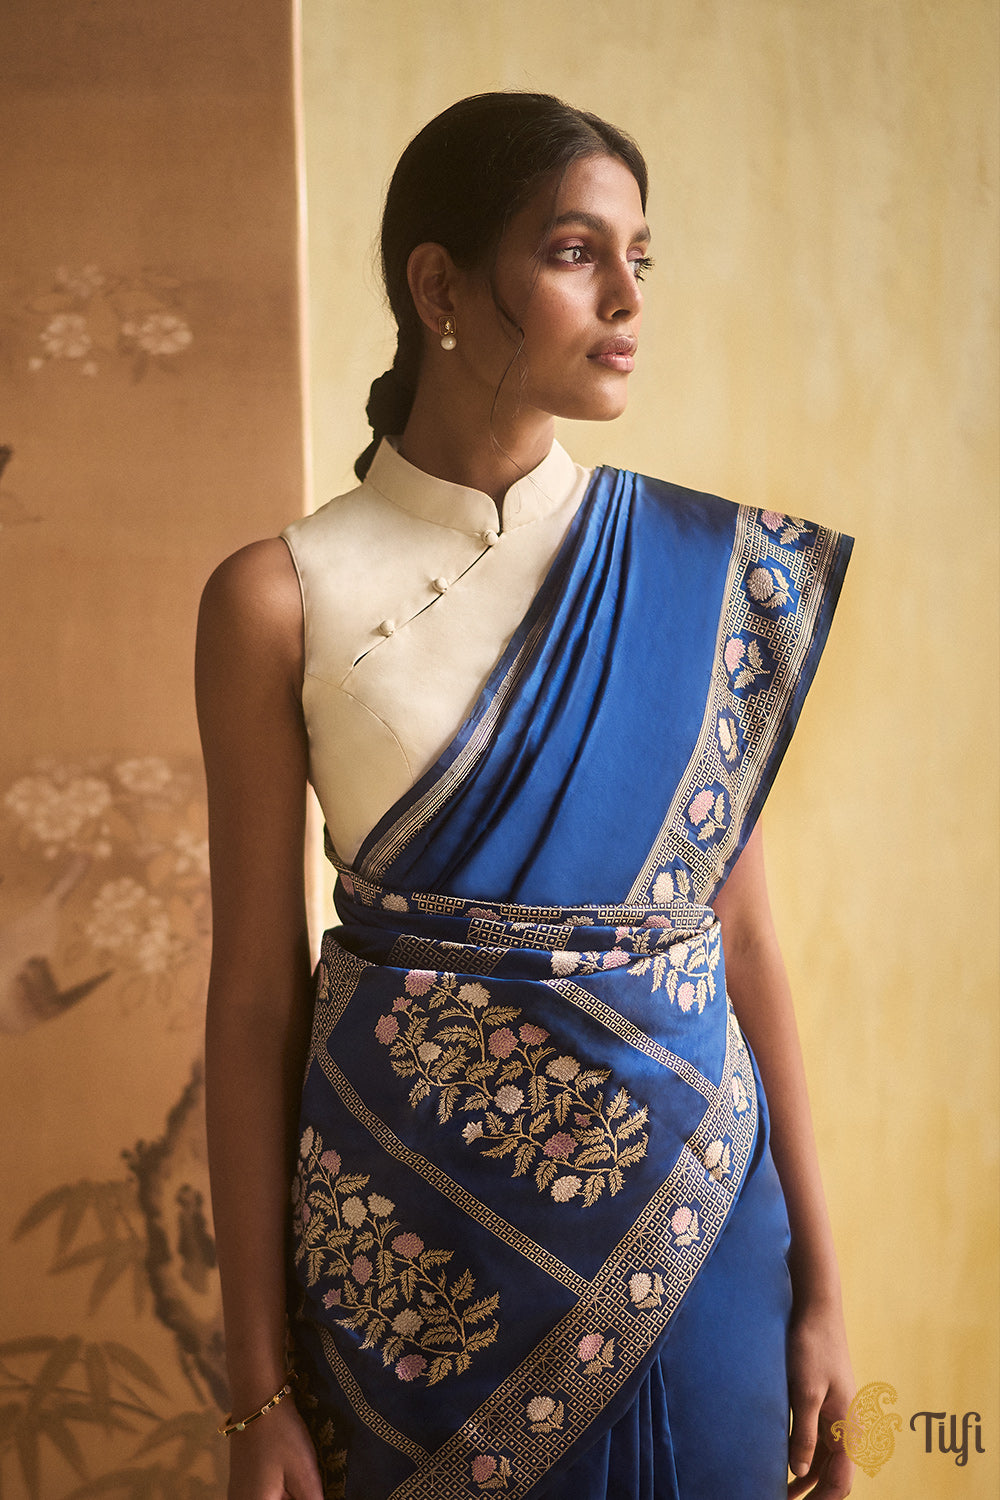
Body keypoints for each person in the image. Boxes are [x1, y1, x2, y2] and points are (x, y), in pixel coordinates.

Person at [196, 92, 855, 1500]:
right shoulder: (277, 599)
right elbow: (253, 999)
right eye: (575, 251)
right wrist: (256, 1394)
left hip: (698, 1241)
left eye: (640, 256)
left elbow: (743, 941)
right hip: (410, 1263)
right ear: (440, 287)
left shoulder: (699, 574)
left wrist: (823, 1289)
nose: (628, 297)